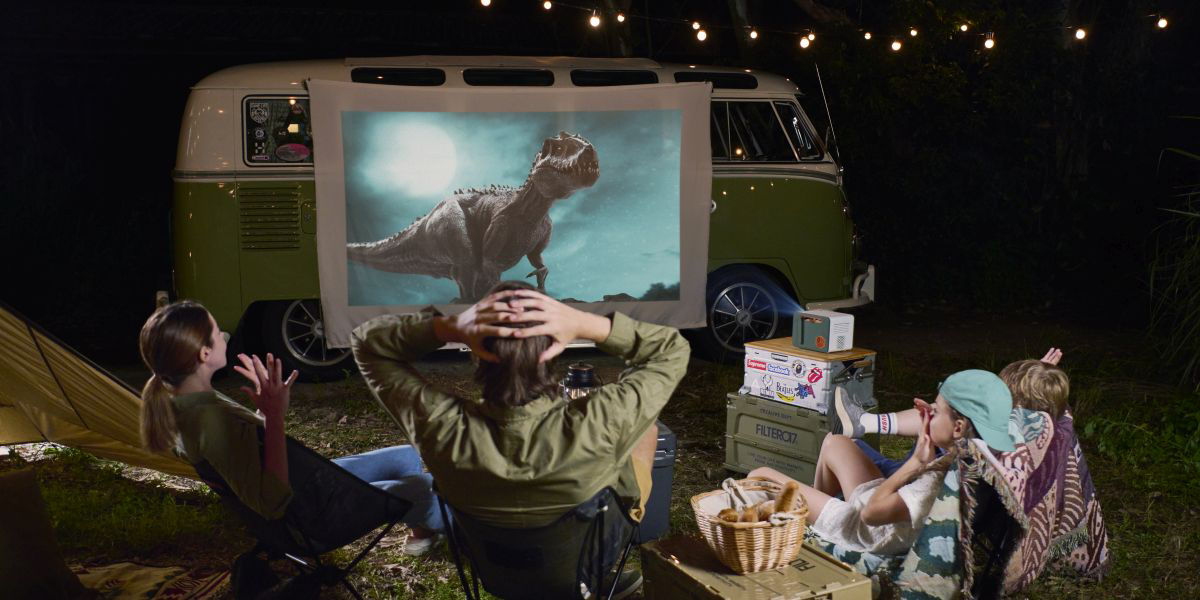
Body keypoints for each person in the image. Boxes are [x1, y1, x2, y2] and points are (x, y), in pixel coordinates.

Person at [351, 280, 690, 598]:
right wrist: (588, 324)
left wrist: (447, 327)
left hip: (493, 569)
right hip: (589, 557)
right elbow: (671, 350)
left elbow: (367, 343)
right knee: (645, 430)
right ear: (556, 347)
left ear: (474, 351)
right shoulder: (602, 420)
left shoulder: (439, 426)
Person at [138, 300, 443, 555]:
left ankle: (423, 534)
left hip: (308, 490)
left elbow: (249, 452)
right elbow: (271, 503)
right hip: (309, 522)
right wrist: (274, 417)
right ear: (204, 354)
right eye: (218, 333)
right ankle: (469, 538)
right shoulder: (209, 420)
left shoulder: (189, 402)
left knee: (405, 457)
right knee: (422, 489)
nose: (224, 335)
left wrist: (265, 413)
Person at [749, 369, 1015, 555]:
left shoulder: (939, 481)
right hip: (883, 509)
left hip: (862, 529)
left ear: (958, 428)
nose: (928, 413)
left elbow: (869, 514)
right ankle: (809, 521)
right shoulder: (970, 457)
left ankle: (809, 523)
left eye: (935, 410)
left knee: (759, 474)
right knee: (836, 442)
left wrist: (915, 464)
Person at [832, 348, 1063, 476]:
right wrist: (1033, 379)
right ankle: (865, 423)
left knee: (840, 445)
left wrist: (934, 417)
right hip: (916, 472)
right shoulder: (1038, 436)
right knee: (947, 407)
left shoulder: (981, 444)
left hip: (905, 480)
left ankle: (864, 423)